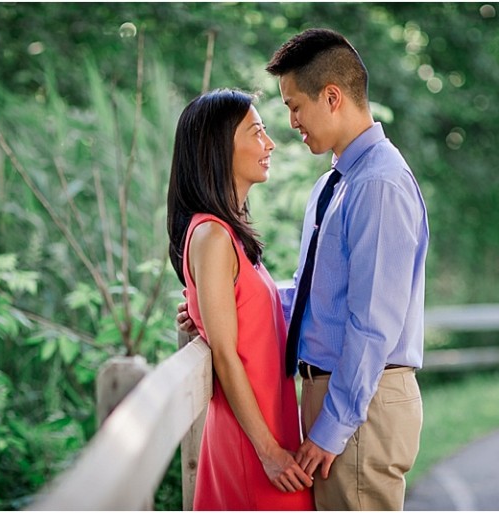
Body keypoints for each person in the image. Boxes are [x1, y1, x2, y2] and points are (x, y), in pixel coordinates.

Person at [178, 29, 429, 511]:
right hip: (333, 397)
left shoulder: (378, 185)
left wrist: (333, 428)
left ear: (331, 97)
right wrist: (224, 309)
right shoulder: (334, 185)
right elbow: (319, 296)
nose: (289, 123)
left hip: (360, 406)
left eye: (294, 106)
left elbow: (372, 324)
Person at [167, 88, 315, 511]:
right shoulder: (212, 236)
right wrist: (268, 452)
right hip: (253, 445)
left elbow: (247, 322)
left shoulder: (228, 235)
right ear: (219, 147)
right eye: (257, 132)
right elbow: (227, 358)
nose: (269, 144)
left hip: (272, 427)